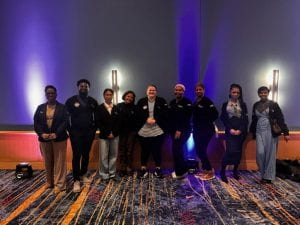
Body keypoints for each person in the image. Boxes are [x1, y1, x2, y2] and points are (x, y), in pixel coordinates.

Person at [250, 86, 289, 184]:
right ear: (258, 94)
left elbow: (280, 118)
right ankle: (263, 173)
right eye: (261, 92)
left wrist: (286, 132)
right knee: (260, 153)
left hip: (270, 130)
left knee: (270, 154)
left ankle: (268, 176)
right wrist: (251, 131)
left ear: (268, 93)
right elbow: (253, 119)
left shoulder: (273, 104)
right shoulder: (255, 105)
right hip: (259, 129)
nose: (263, 94)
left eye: (265, 92)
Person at [34, 85, 68, 194]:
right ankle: (49, 182)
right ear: (45, 95)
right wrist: (41, 134)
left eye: (52, 93)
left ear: (56, 94)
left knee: (59, 162)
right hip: (44, 139)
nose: (50, 95)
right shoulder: (40, 108)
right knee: (47, 162)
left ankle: (60, 185)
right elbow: (36, 123)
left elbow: (65, 122)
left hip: (59, 138)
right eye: (48, 93)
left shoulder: (62, 107)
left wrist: (56, 133)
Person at [65, 79, 98, 192]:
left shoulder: (93, 101)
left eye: (86, 86)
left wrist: (93, 130)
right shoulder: (71, 101)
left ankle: (83, 174)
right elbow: (66, 117)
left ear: (89, 88)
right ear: (78, 87)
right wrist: (70, 130)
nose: (83, 88)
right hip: (76, 133)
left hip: (89, 133)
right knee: (76, 155)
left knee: (86, 154)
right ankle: (76, 180)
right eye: (81, 86)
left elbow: (96, 117)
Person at [136, 84, 168, 178]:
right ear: (147, 92)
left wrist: (156, 119)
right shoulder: (141, 101)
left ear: (156, 92)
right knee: (144, 151)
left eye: (153, 90)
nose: (151, 92)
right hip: (144, 131)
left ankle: (158, 169)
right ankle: (143, 169)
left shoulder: (161, 101)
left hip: (158, 131)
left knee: (157, 151)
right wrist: (146, 119)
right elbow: (138, 113)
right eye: (150, 90)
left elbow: (165, 113)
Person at [220, 84, 248, 183]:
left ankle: (235, 172)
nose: (236, 94)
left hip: (240, 133)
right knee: (229, 152)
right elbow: (223, 118)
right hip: (229, 132)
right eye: (234, 92)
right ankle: (222, 171)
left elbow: (245, 119)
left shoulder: (243, 105)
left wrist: (240, 130)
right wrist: (230, 129)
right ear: (230, 92)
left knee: (238, 153)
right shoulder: (225, 104)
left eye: (238, 92)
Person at [192, 83, 219, 180]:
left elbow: (215, 114)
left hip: (206, 130)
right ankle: (205, 170)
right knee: (199, 151)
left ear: (204, 90)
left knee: (202, 151)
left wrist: (206, 122)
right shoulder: (195, 101)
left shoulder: (207, 101)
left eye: (200, 89)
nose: (198, 91)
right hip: (196, 130)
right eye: (197, 90)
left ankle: (210, 171)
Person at [169, 84, 192, 179]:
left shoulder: (187, 102)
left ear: (183, 91)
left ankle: (180, 172)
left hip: (183, 131)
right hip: (173, 131)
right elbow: (169, 117)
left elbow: (187, 117)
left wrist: (179, 130)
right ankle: (181, 169)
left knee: (177, 149)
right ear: (174, 91)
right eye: (176, 90)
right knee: (176, 150)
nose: (178, 92)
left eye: (180, 90)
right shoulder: (172, 102)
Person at [96, 89, 120, 180]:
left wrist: (113, 133)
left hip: (115, 135)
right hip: (103, 136)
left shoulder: (116, 108)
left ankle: (112, 173)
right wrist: (107, 133)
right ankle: (104, 173)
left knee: (114, 155)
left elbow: (119, 123)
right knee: (103, 156)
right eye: (106, 94)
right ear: (104, 96)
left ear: (112, 96)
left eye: (110, 94)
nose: (108, 96)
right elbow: (98, 123)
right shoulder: (99, 108)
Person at [116, 90, 138, 176]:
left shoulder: (135, 108)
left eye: (131, 97)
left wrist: (136, 131)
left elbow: (138, 120)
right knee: (122, 151)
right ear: (124, 96)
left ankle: (129, 168)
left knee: (129, 151)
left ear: (133, 99)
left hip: (131, 132)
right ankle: (122, 168)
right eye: (128, 96)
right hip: (121, 132)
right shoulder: (118, 106)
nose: (129, 98)